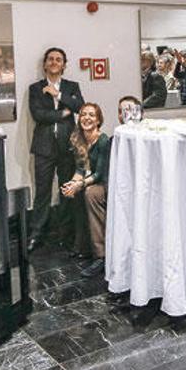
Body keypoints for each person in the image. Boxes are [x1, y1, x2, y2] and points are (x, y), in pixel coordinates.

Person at [27, 47, 85, 253]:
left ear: (64, 65)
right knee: (41, 192)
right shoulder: (35, 88)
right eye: (50, 59)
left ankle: (65, 234)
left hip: (67, 147)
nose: (54, 62)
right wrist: (62, 114)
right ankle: (36, 234)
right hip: (43, 147)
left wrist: (58, 94)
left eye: (58, 59)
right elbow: (38, 115)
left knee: (66, 190)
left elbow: (81, 108)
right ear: (44, 64)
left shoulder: (71, 86)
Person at [61, 103, 111, 278]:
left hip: (105, 184)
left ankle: (101, 256)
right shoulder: (78, 139)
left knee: (89, 192)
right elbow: (80, 170)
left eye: (91, 115)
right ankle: (82, 246)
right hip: (90, 181)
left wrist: (80, 184)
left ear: (98, 120)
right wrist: (71, 185)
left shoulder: (103, 140)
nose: (86, 118)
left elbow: (98, 174)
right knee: (73, 194)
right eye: (83, 114)